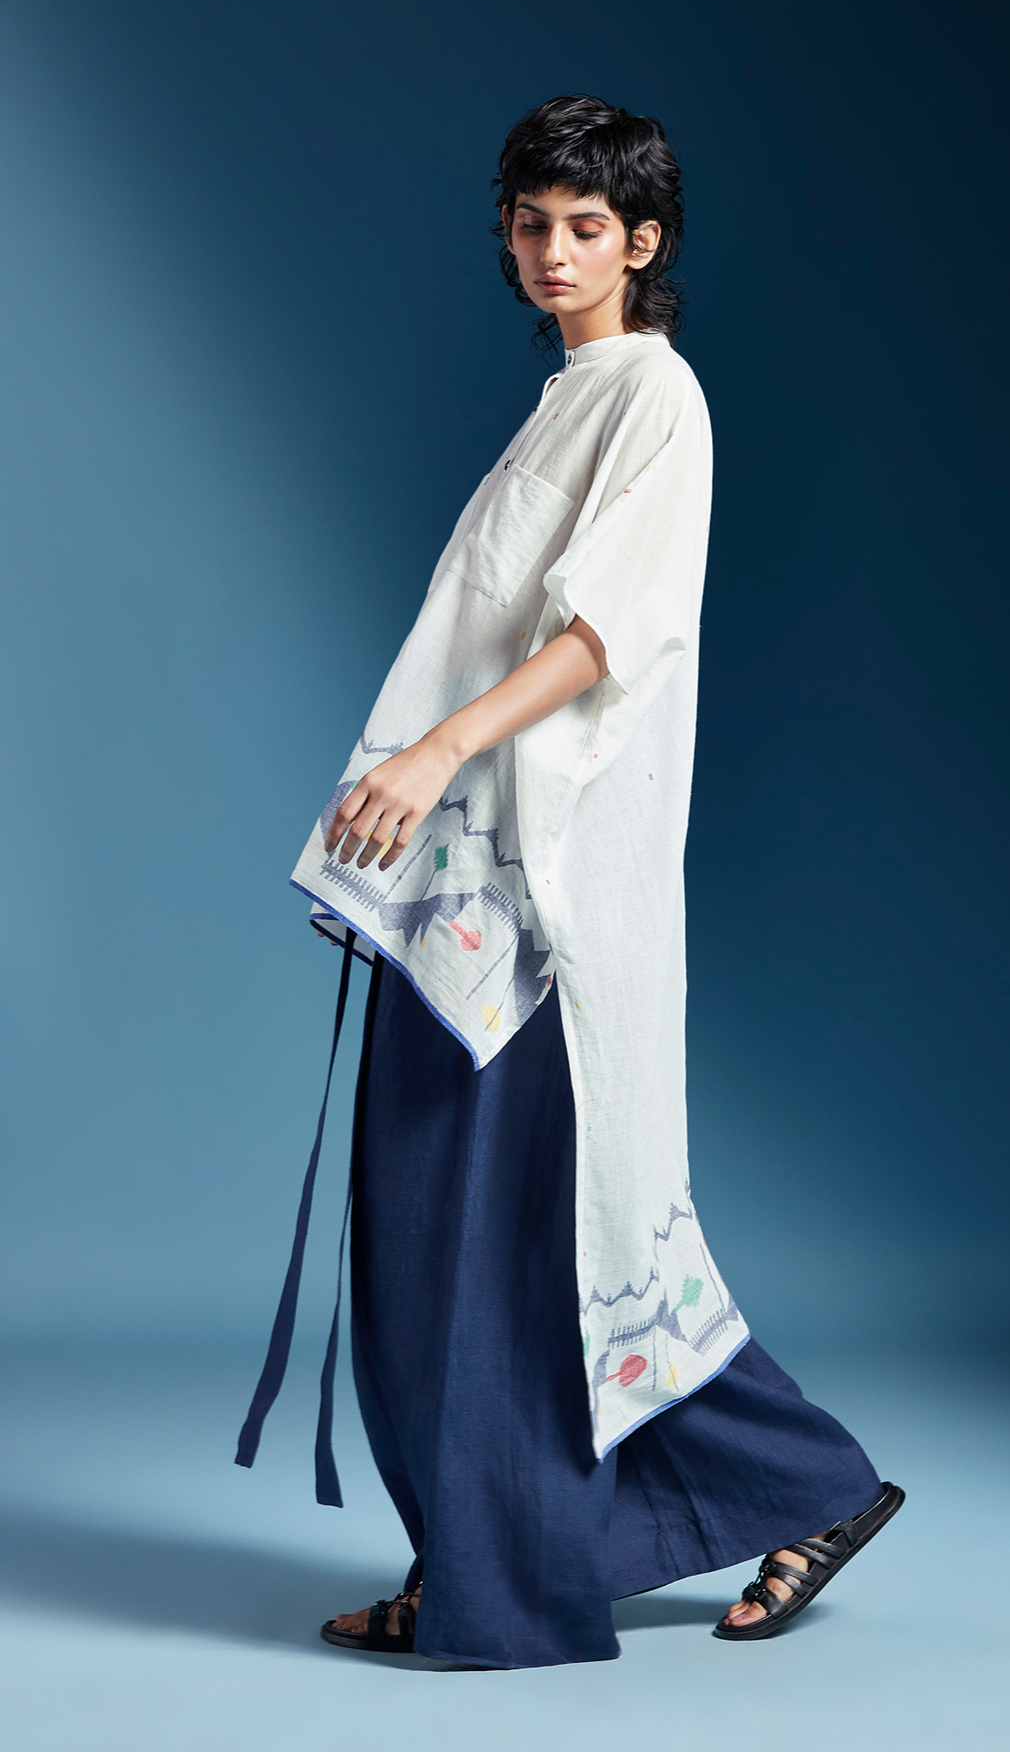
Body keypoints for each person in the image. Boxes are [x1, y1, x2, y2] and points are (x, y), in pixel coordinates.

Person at [237, 93, 904, 1669]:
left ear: (642, 242)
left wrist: (430, 753)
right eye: (531, 223)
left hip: (542, 901)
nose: (552, 251)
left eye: (586, 227)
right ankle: (518, 1552)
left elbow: (611, 632)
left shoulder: (655, 398)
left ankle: (549, 1564)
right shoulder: (565, 402)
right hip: (463, 881)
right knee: (435, 1244)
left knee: (507, 1251)